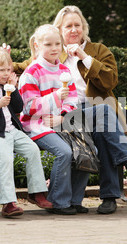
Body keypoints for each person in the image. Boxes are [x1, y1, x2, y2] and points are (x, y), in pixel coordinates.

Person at [13, 5, 127, 214]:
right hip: (68, 116)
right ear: (59, 29)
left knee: (104, 124)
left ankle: (109, 197)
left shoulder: (98, 51)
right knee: (102, 123)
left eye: (78, 25)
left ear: (84, 27)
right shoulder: (53, 54)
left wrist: (84, 57)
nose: (74, 30)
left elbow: (110, 81)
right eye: (68, 26)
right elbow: (25, 67)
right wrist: (2, 62)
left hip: (93, 111)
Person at [0, 46, 53, 217]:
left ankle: (37, 192)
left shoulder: (6, 86)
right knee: (6, 159)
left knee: (32, 150)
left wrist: (13, 89)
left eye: (9, 69)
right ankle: (8, 203)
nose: (7, 73)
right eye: (1, 70)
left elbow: (17, 108)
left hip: (12, 131)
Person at [18, 24, 90, 215]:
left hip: (60, 122)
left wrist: (62, 116)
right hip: (36, 126)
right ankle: (58, 201)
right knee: (64, 152)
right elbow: (28, 107)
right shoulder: (32, 73)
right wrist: (56, 97)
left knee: (88, 150)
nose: (54, 48)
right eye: (48, 44)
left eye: (57, 43)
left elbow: (73, 100)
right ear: (37, 45)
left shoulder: (64, 71)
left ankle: (74, 200)